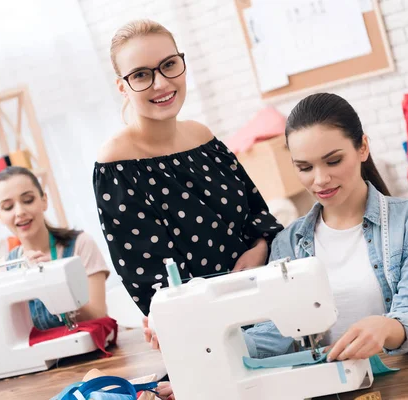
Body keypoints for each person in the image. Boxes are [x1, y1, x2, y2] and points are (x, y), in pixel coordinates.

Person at [93, 19, 283, 323]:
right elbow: (151, 280)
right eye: (141, 75)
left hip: (266, 300)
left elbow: (257, 216)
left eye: (169, 64)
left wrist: (260, 247)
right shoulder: (117, 164)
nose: (161, 83)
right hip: (206, 328)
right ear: (123, 87)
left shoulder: (203, 138)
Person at [243, 93, 408, 363]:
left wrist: (385, 329)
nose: (321, 179)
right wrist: (214, 353)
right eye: (305, 167)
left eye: (333, 161)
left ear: (362, 148)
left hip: (406, 374)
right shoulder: (287, 242)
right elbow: (276, 331)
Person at [0, 166, 110, 329]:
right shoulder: (6, 267)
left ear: (44, 200)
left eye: (28, 200)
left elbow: (97, 314)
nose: (19, 212)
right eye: (8, 207)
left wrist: (53, 281)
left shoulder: (80, 244)